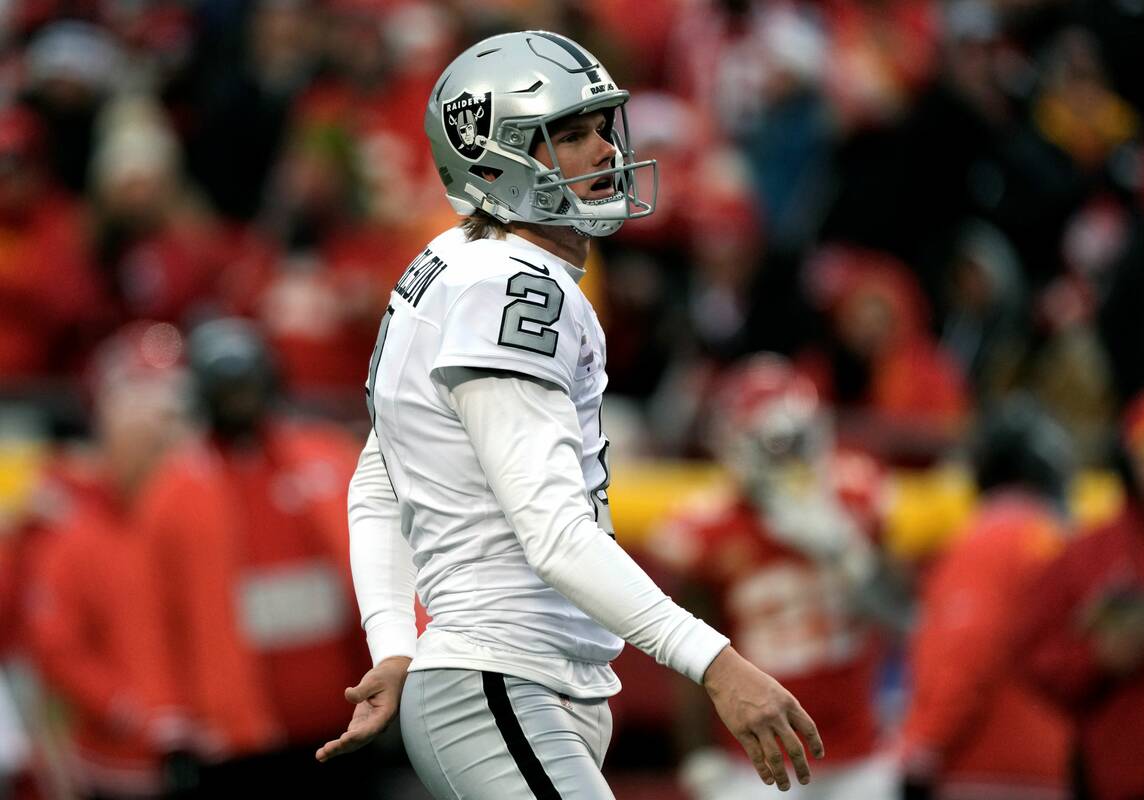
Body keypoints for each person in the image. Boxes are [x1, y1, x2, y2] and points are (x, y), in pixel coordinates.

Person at [315, 31, 825, 799]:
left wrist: (394, 642)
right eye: (569, 137)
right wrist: (715, 662)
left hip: (511, 678)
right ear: (490, 157)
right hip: (500, 674)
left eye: (599, 129)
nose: (604, 153)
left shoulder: (451, 267)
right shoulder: (516, 286)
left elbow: (382, 482)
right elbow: (551, 530)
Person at [133, 318, 376, 797]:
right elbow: (154, 617)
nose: (239, 399)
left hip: (347, 715)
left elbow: (386, 566)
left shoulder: (327, 457)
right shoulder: (174, 492)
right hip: (241, 731)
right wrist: (168, 716)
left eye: (246, 384)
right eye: (227, 389)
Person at [645, 354, 897, 800]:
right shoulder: (711, 527)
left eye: (796, 441)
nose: (791, 457)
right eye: (776, 444)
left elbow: (905, 616)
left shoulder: (854, 498)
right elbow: (687, 653)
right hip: (756, 754)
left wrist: (847, 549)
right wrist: (697, 753)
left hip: (859, 745)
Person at [24, 322, 193, 800]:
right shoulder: (69, 525)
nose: (162, 429)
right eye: (142, 407)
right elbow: (50, 646)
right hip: (115, 763)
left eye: (173, 411)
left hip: (209, 744)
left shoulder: (207, 511)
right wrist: (125, 708)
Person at [1018, 384, 1144, 800]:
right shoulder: (1090, 554)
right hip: (1123, 786)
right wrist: (1098, 660)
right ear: (1128, 463)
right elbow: (1036, 656)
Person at [899, 398, 1072, 800]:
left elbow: (967, 648)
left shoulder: (993, 537)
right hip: (1053, 760)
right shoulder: (1059, 537)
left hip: (986, 762)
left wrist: (926, 743)